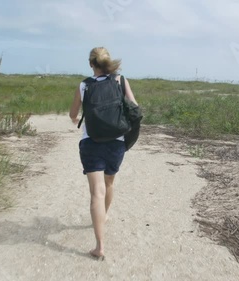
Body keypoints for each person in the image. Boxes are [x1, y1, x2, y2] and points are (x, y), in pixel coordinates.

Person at [69, 47, 138, 260]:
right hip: (116, 143)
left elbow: (73, 114)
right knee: (109, 184)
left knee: (96, 193)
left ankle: (100, 247)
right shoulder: (121, 80)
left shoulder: (84, 85)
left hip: (91, 143)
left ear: (91, 64)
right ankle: (105, 215)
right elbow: (135, 108)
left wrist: (76, 119)